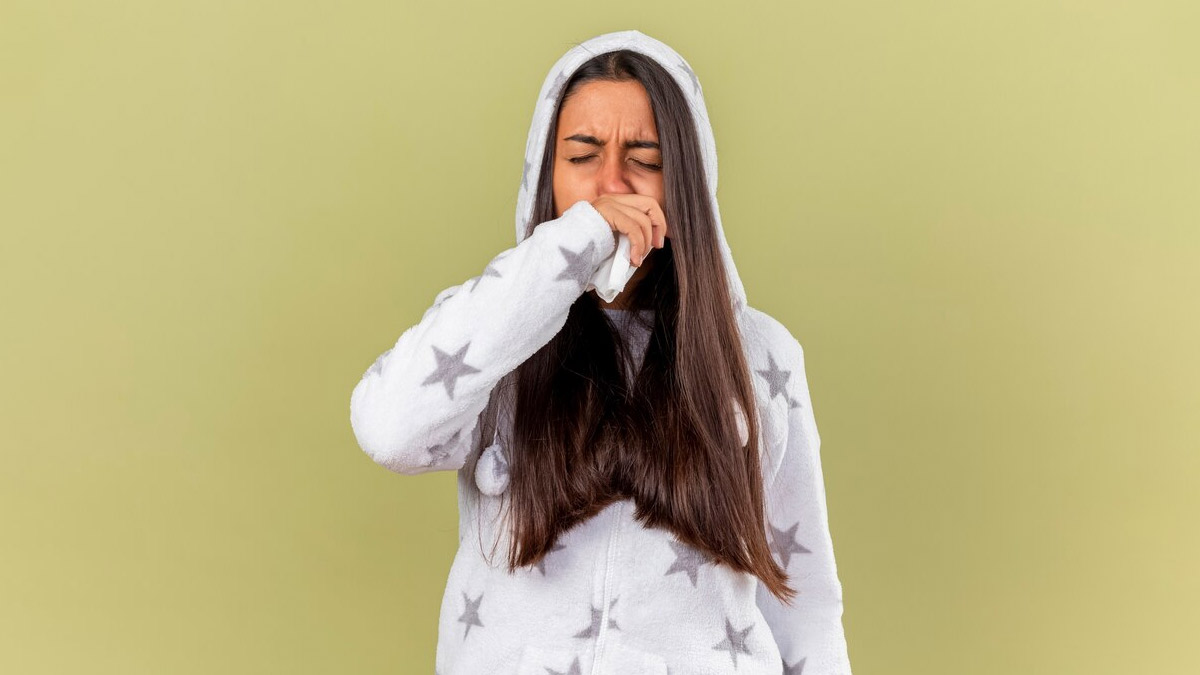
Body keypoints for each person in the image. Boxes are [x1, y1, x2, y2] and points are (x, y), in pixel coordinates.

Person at [350, 29, 852, 675]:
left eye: (646, 159)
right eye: (583, 154)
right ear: (546, 174)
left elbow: (804, 599)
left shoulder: (757, 353)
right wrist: (568, 249)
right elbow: (390, 431)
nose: (612, 183)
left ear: (686, 183)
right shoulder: (491, 335)